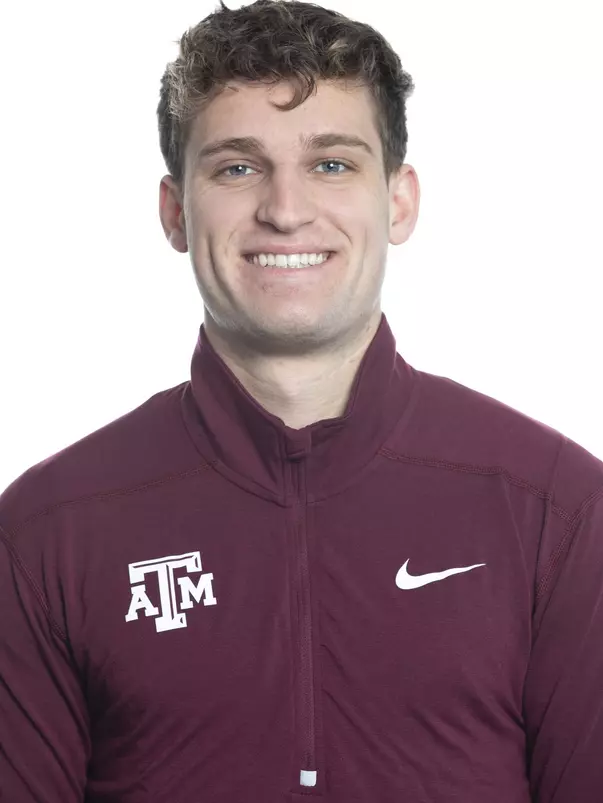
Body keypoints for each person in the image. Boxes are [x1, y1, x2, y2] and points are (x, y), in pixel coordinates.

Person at [1, 0, 602, 800]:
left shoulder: (554, 507)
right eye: (237, 166)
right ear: (176, 211)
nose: (284, 210)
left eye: (330, 163)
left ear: (398, 200)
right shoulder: (48, 529)